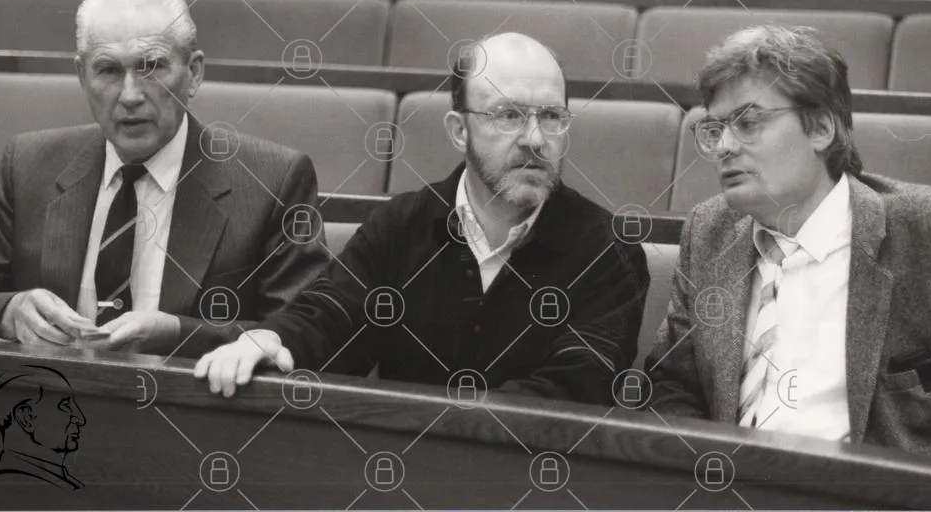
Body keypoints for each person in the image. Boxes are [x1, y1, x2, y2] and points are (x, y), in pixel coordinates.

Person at [195, 33, 650, 405]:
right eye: (508, 115)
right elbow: (331, 317)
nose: (534, 138)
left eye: (551, 116)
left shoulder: (608, 251)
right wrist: (275, 339)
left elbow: (573, 392)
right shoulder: (401, 225)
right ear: (459, 130)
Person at [645, 25, 931, 461]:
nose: (724, 146)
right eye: (715, 128)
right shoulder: (709, 231)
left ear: (819, 128)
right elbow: (671, 384)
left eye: (748, 123)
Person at [0, 0, 328, 357]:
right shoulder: (28, 165)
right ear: (82, 76)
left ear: (194, 73)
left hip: (191, 395)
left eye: (150, 67)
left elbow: (309, 334)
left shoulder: (271, 182)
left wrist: (179, 336)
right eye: (108, 70)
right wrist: (7, 312)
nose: (130, 95)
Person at [0, 365, 86, 490]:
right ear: (26, 418)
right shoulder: (20, 488)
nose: (80, 419)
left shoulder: (59, 482)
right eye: (65, 405)